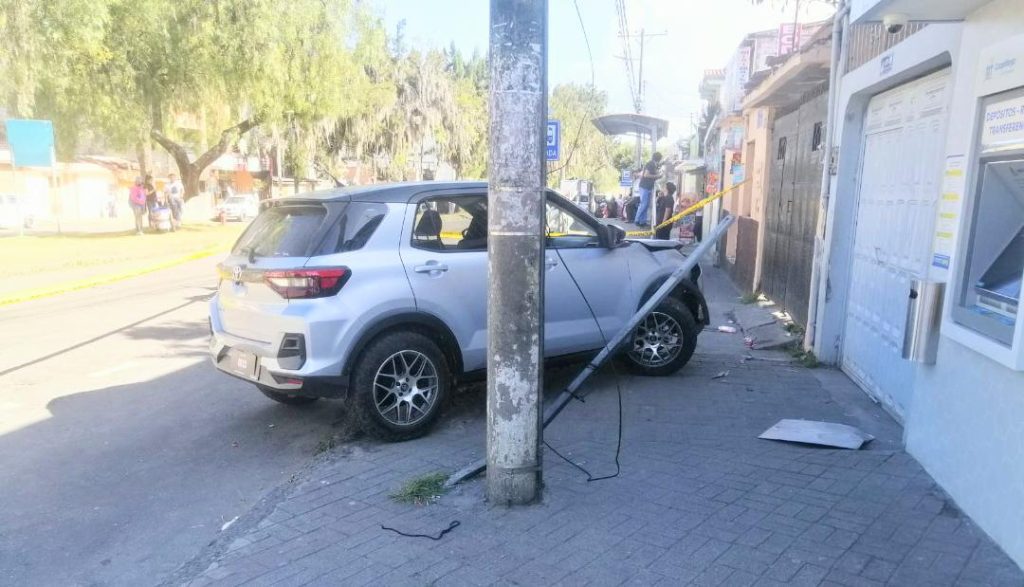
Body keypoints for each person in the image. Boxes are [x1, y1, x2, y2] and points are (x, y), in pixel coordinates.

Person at [634, 152, 663, 227]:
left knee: (646, 205)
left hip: (648, 187)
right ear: (658, 159)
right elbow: (646, 175)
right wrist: (657, 176)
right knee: (643, 204)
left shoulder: (653, 165)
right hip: (645, 186)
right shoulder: (651, 164)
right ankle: (637, 220)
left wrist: (657, 175)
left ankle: (642, 221)